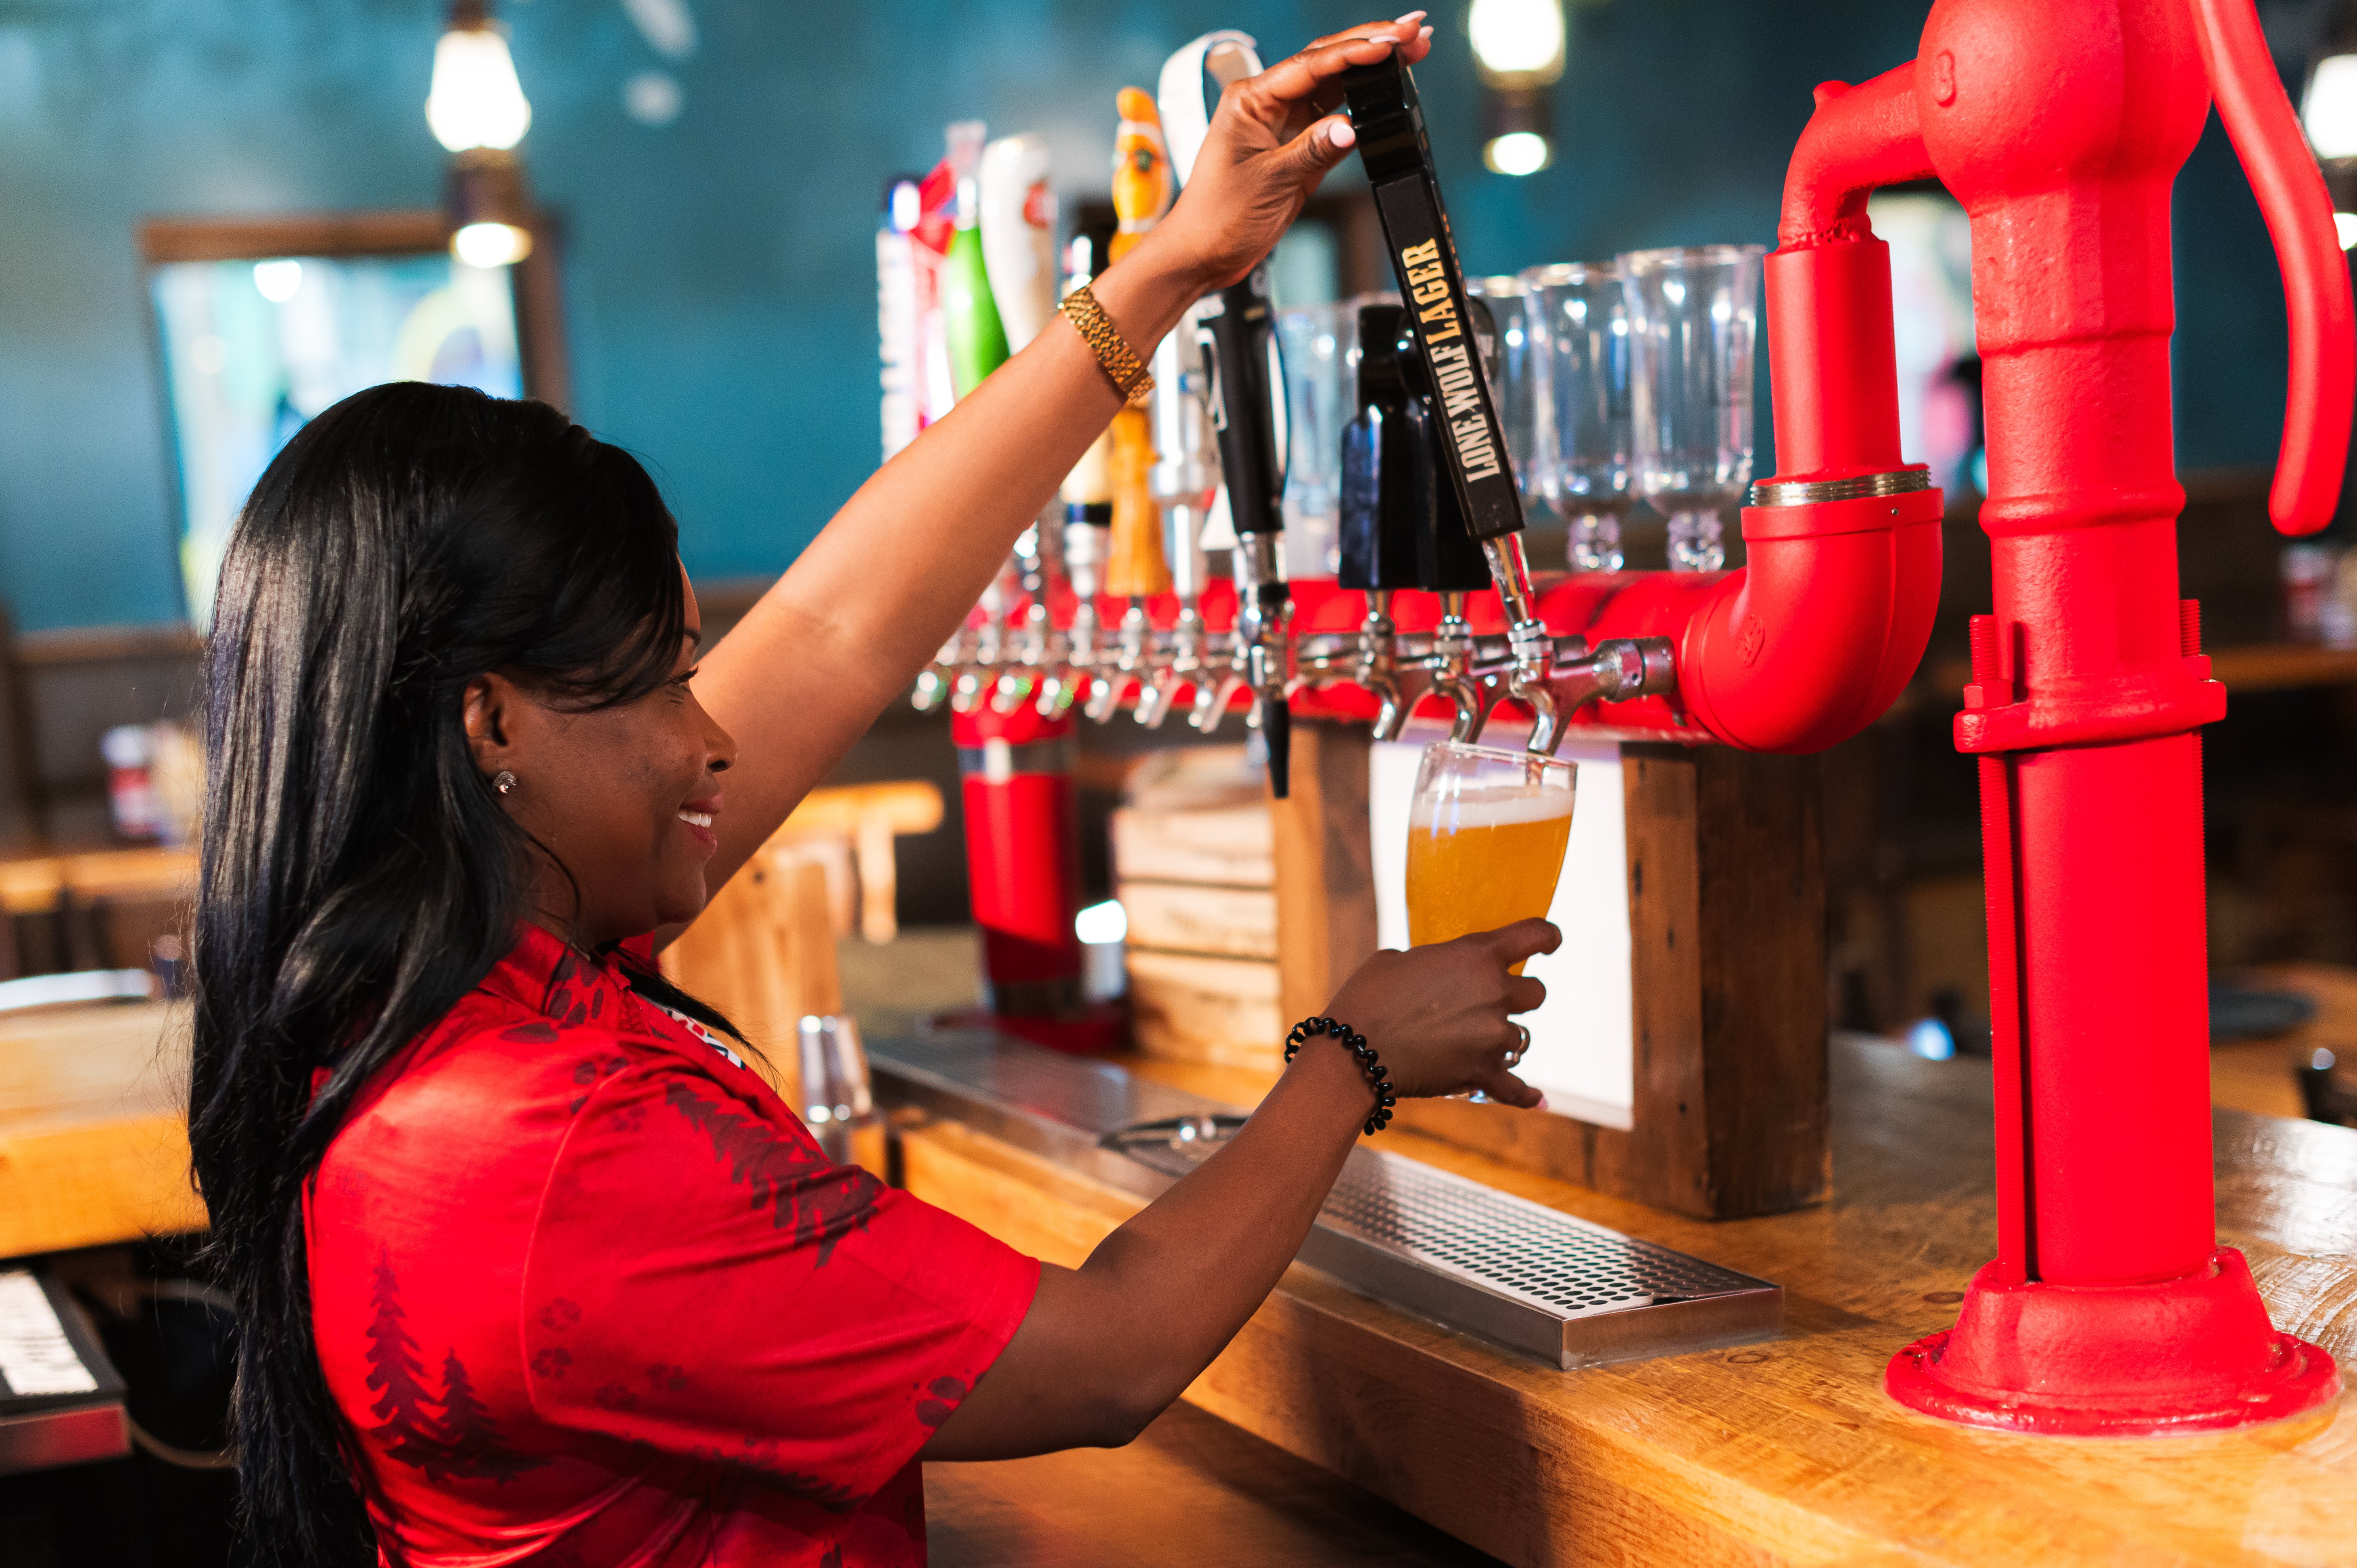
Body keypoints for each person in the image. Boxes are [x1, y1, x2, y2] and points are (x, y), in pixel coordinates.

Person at [188, 17, 1557, 1567]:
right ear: (488, 722)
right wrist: (1349, 1059)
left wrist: (1170, 267)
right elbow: (1106, 1358)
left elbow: (841, 630)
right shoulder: (540, 1145)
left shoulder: (428, 990)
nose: (709, 740)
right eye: (652, 682)